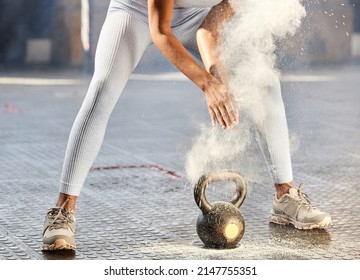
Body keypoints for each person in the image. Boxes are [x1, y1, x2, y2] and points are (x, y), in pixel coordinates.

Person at [42, 0, 331, 251]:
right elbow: (161, 31)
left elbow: (209, 30)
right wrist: (207, 84)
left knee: (266, 83)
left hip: (196, 17)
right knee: (103, 88)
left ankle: (285, 197)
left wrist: (220, 77)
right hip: (135, 12)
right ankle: (63, 210)